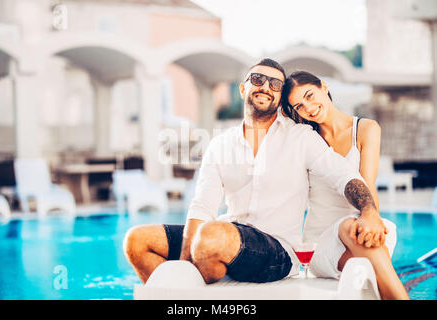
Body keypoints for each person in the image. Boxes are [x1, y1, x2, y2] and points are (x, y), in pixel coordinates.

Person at [123, 58, 381, 286]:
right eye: (258, 79)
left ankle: (197, 281)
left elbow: (343, 176)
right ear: (243, 88)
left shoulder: (300, 137)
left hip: (277, 250)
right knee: (136, 240)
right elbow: (202, 206)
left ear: (280, 99)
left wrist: (369, 211)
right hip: (225, 235)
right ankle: (184, 297)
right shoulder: (220, 143)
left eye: (275, 84)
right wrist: (183, 266)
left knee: (211, 236)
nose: (266, 86)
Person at [282, 70, 409, 300]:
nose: (309, 108)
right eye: (299, 106)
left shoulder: (366, 129)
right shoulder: (305, 140)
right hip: (321, 244)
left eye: (310, 96)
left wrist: (372, 221)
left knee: (370, 238)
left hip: (360, 229)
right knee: (351, 230)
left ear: (324, 86)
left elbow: (367, 183)